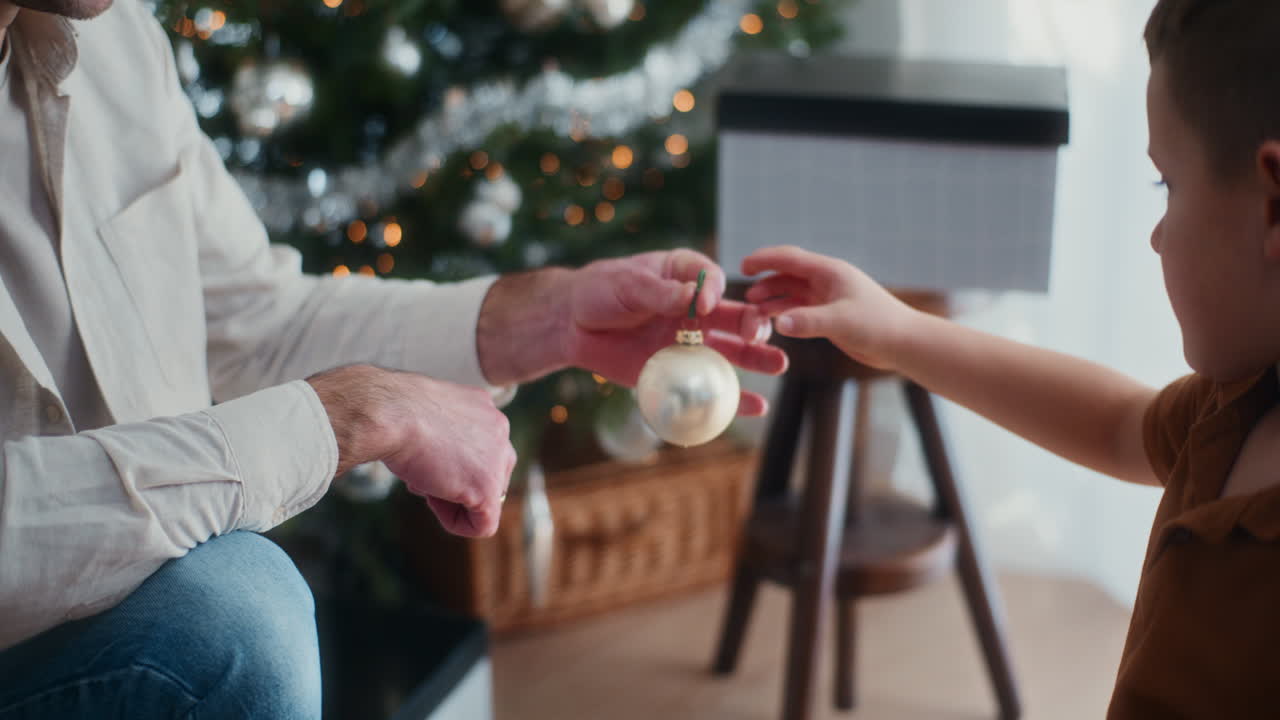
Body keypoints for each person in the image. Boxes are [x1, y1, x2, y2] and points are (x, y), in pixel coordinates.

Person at [0, 0, 788, 715]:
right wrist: (345, 418)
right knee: (236, 614)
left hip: (116, 609)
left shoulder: (116, 39)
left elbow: (249, 319)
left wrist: (550, 318)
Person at [741, 1, 1280, 716]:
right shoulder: (1238, 403)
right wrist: (895, 329)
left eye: (1168, 185)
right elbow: (1121, 424)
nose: (1155, 236)